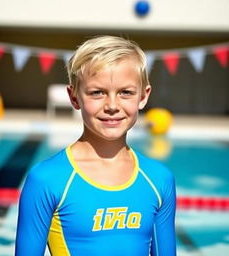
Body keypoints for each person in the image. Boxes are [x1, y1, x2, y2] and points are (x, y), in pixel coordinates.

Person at [15, 35, 177, 256]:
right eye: (97, 93)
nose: (112, 105)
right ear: (74, 97)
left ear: (143, 96)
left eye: (125, 93)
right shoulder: (48, 180)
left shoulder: (158, 179)